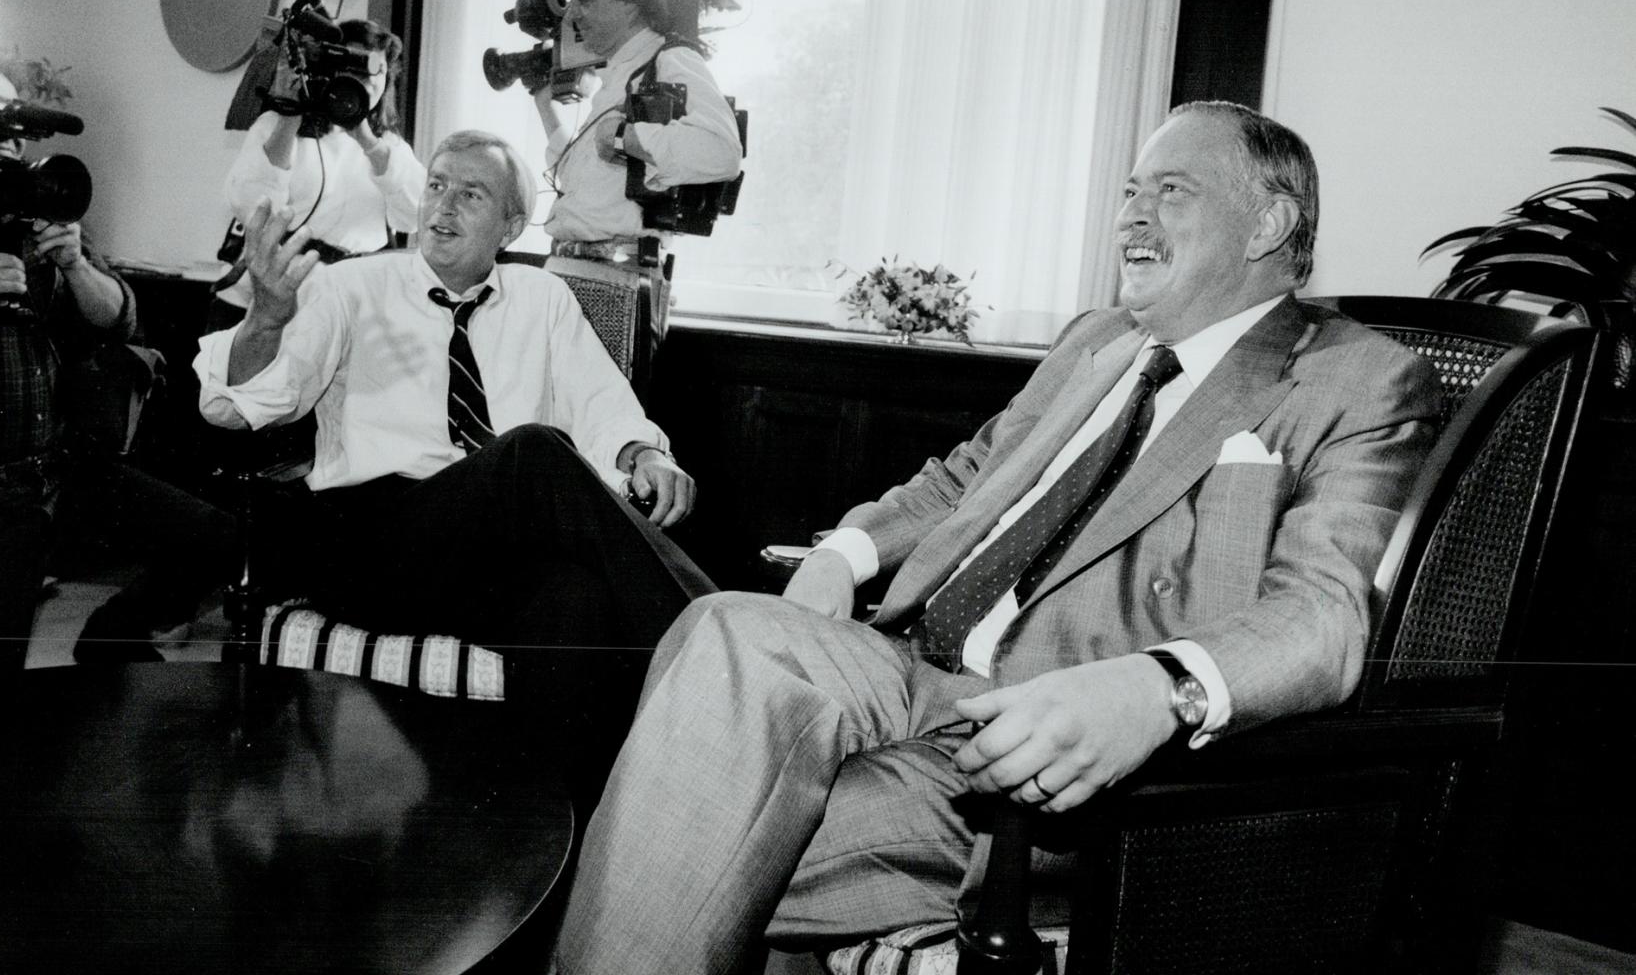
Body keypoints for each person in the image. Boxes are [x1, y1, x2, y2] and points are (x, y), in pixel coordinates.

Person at [552, 102, 1447, 973]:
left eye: (1171, 191)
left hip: (1031, 749)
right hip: (904, 662)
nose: (1131, 214)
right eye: (1130, 190)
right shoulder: (1097, 341)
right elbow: (966, 474)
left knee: (664, 819)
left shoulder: (1357, 381)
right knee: (726, 632)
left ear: (1269, 225)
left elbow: (1324, 619)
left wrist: (1157, 689)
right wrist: (845, 553)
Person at [195, 129, 713, 792]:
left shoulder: (543, 299)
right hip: (373, 547)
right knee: (532, 451)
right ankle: (720, 649)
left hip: (487, 562)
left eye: (471, 194)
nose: (442, 206)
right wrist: (265, 322)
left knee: (575, 602)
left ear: (513, 223)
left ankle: (546, 841)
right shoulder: (349, 287)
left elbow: (602, 405)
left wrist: (641, 451)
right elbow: (239, 407)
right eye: (436, 185)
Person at [0, 63, 234, 672]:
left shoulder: (31, 221)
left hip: (59, 472)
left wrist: (73, 263)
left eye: (18, 137)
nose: (11, 152)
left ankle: (111, 640)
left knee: (216, 539)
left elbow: (118, 318)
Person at [533, 0, 743, 332]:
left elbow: (722, 150)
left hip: (613, 284)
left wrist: (625, 136)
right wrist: (545, 108)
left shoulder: (671, 59)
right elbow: (588, 186)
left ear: (630, 0)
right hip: (574, 275)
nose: (571, 13)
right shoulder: (617, 75)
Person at [218, 18, 425, 309]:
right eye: (351, 66)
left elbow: (417, 215)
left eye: (372, 70)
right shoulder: (276, 125)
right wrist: (291, 117)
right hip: (272, 294)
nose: (361, 80)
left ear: (386, 79)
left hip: (349, 299)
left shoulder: (389, 147)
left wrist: (367, 140)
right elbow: (251, 208)